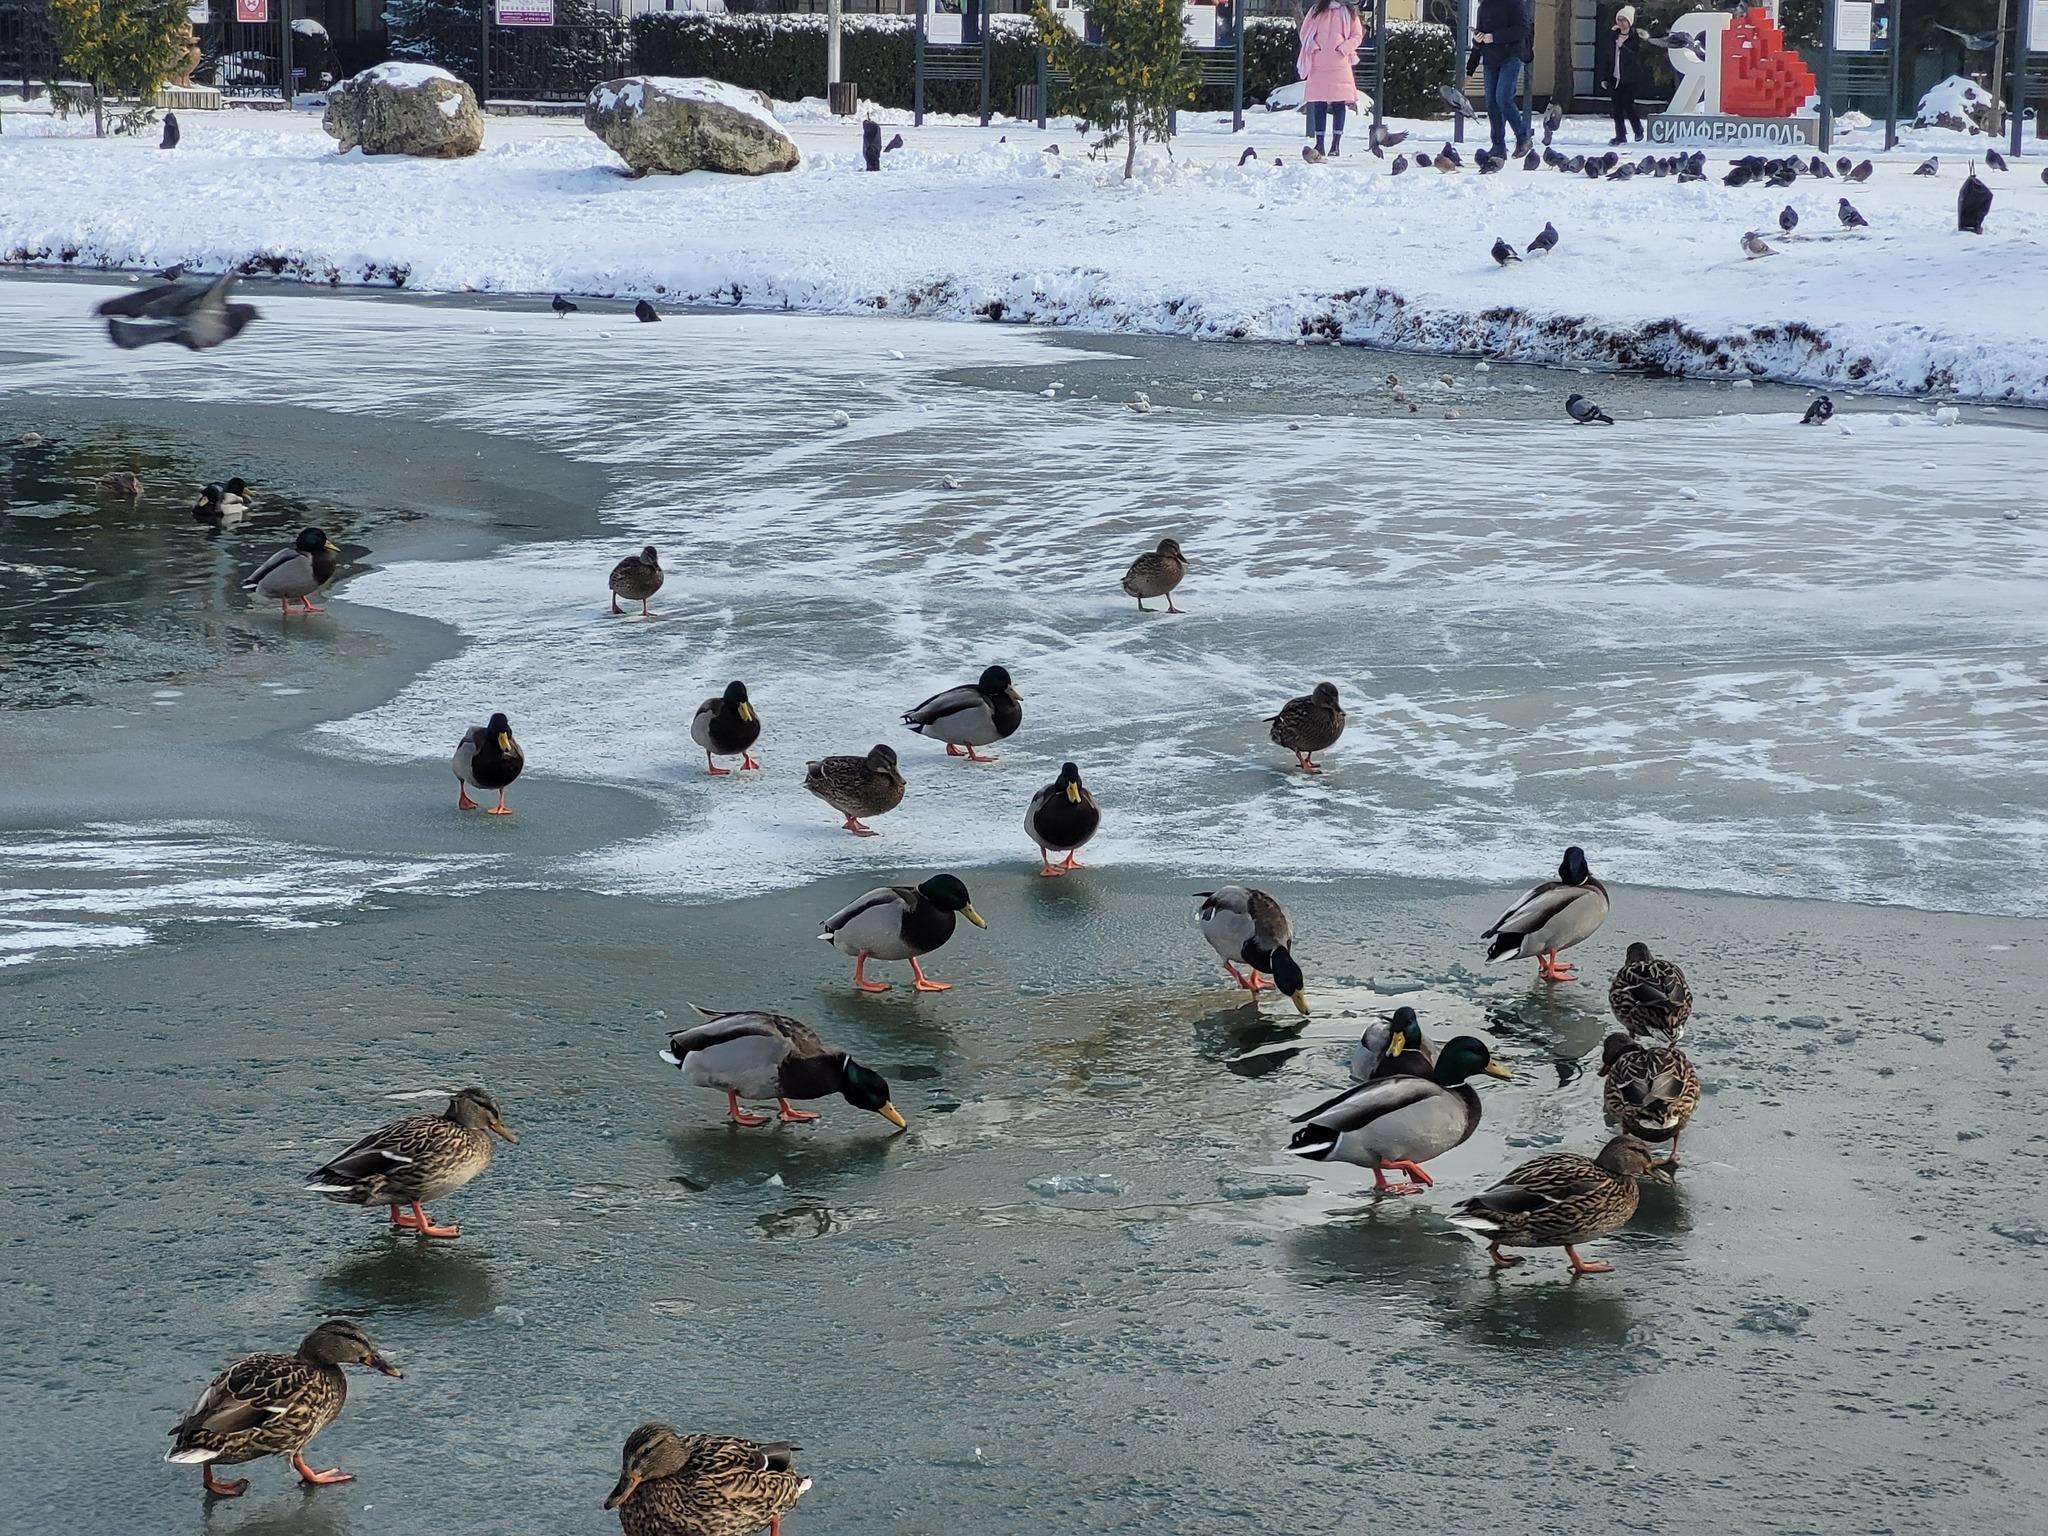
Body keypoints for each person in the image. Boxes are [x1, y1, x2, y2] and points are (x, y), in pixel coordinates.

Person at [1466, 0, 1531, 161]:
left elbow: (1523, 29)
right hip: (1490, 59)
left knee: (1503, 98)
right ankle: (1498, 147)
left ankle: (1523, 138)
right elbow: (1479, 42)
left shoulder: (1515, 4)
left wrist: (1494, 37)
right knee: (1491, 104)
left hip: (1511, 56)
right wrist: (1477, 40)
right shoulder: (1484, 7)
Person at [1297, 0, 1363, 159]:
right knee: (1319, 103)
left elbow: (1357, 35)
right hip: (1318, 64)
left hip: (1340, 64)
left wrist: (1344, 48)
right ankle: (1319, 143)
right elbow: (1305, 32)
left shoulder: (1349, 12)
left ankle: (1336, 144)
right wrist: (1314, 47)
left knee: (1339, 103)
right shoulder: (1316, 10)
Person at [1597, 6, 1646, 145]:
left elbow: (1636, 57)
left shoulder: (1636, 37)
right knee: (1617, 108)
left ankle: (1638, 130)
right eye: (1619, 19)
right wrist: (1604, 77)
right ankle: (1620, 135)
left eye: (1624, 20)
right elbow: (1607, 57)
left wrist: (1622, 47)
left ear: (1629, 22)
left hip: (1630, 78)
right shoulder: (1612, 37)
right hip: (1614, 76)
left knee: (1627, 105)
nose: (1621, 22)